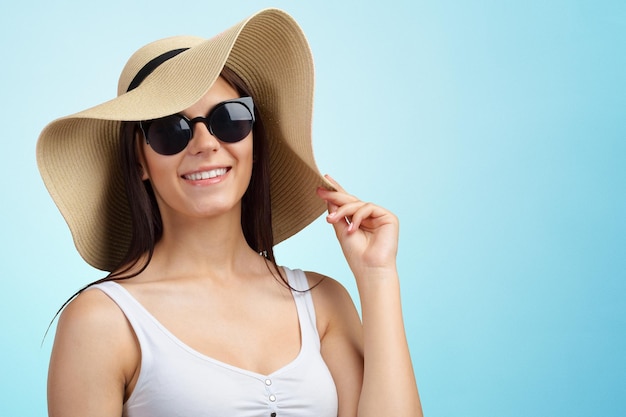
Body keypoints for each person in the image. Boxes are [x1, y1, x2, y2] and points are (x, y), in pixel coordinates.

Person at [37, 8, 422, 417]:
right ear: (139, 162)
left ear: (253, 141)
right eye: (171, 129)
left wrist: (378, 277)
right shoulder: (101, 321)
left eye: (230, 118)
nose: (205, 143)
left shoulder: (324, 303)